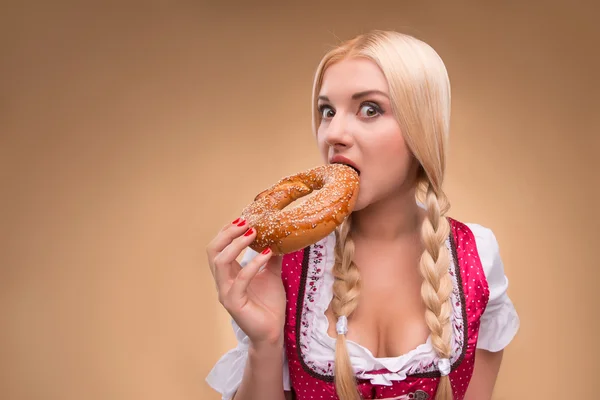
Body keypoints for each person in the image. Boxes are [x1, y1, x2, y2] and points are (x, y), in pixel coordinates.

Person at [205, 30, 519, 400]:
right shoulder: (278, 265)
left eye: (370, 109)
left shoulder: (475, 257)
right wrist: (265, 341)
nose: (334, 134)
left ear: (422, 127)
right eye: (327, 112)